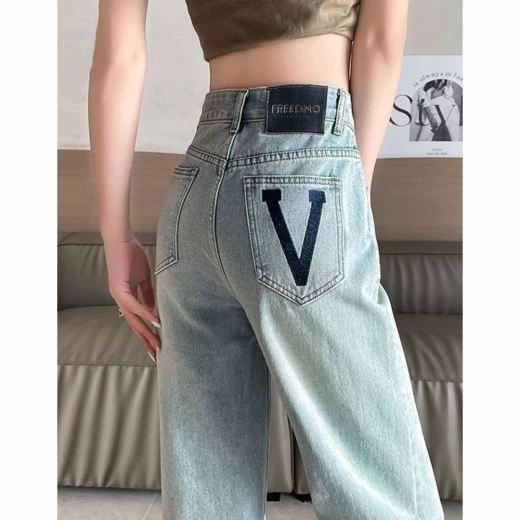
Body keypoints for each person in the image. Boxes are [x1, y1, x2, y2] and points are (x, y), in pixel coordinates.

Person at [88, 0, 445, 519]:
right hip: (306, 167)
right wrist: (351, 189)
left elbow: (119, 60)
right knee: (380, 487)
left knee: (207, 493)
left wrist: (116, 238)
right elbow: (380, 44)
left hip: (195, 190)